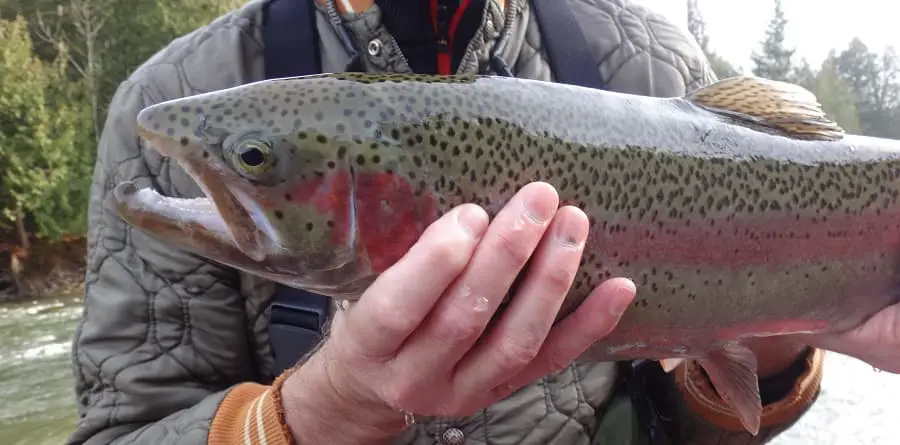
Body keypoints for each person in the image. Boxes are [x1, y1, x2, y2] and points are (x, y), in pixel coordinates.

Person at [66, 0, 900, 444]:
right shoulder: (171, 97)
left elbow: (705, 430)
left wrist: (782, 337)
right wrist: (324, 411)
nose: (247, 168)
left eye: (254, 162)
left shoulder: (652, 65)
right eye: (259, 161)